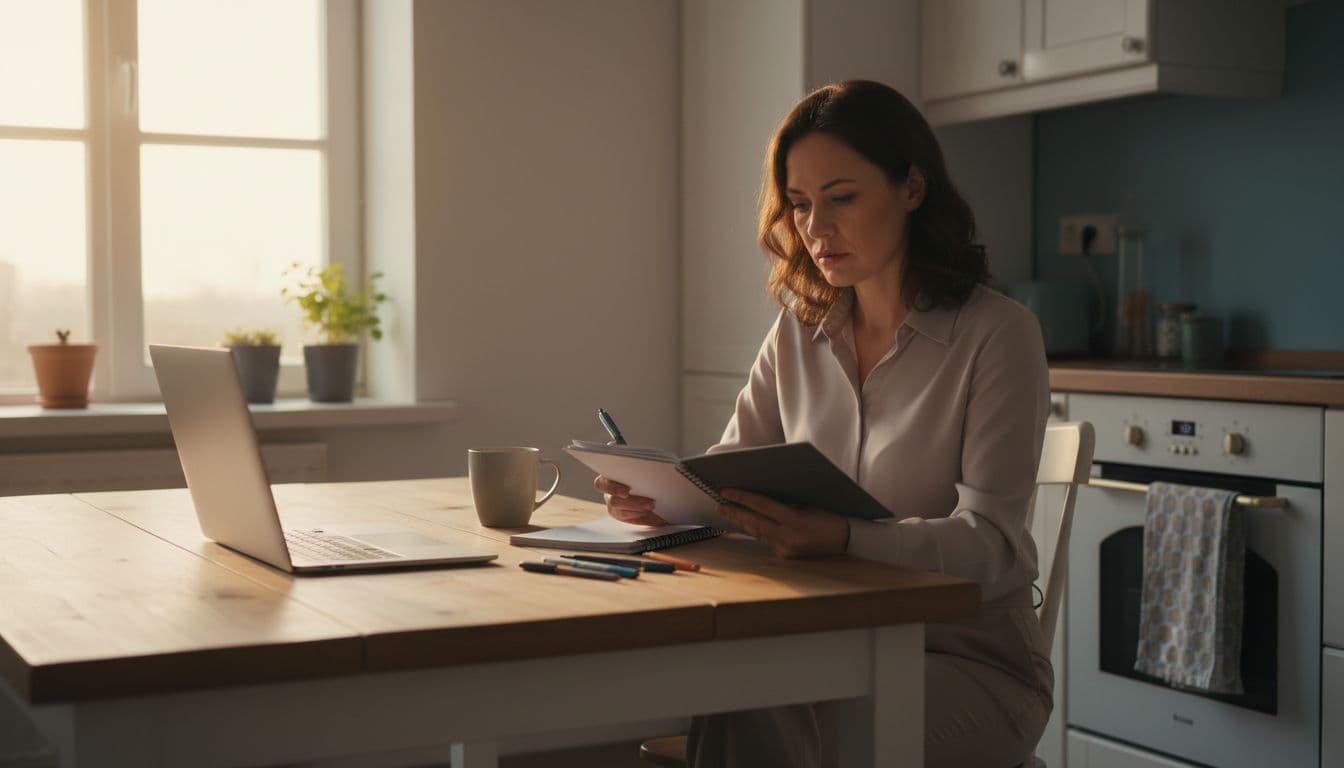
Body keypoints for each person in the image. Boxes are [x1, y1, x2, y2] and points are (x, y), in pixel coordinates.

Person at [595, 80, 1051, 768]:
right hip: (827, 642)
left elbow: (993, 549)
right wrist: (663, 500)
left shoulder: (997, 334)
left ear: (912, 188)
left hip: (966, 662)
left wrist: (844, 538)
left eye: (841, 198)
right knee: (744, 696)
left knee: (774, 726)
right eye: (801, 205)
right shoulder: (798, 331)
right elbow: (728, 476)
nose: (816, 228)